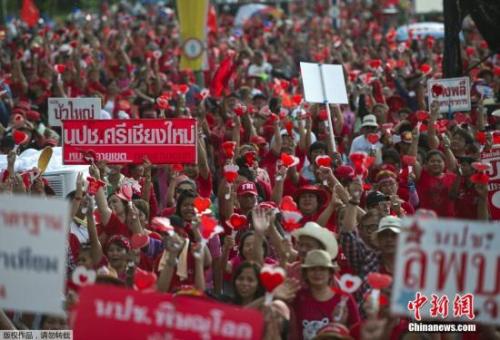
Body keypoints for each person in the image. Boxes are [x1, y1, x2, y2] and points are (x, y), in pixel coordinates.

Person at [290, 250, 361, 340]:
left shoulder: (344, 298)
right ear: (305, 274)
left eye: (322, 269)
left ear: (330, 273)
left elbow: (356, 330)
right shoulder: (297, 297)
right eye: (312, 269)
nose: (317, 273)